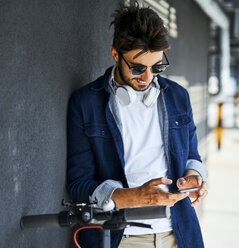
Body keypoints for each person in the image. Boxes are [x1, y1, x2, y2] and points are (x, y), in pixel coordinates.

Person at [66, 1, 208, 248]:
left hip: (180, 234)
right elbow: (79, 184)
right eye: (138, 68)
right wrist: (133, 197)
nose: (148, 78)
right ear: (115, 54)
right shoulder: (86, 103)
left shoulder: (178, 97)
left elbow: (192, 157)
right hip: (120, 237)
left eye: (157, 67)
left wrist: (194, 177)